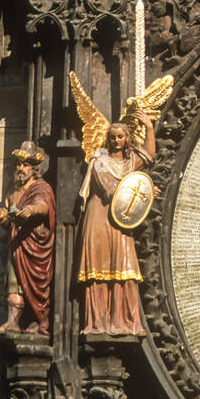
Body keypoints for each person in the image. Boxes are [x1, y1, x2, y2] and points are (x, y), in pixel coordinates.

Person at [76, 112, 154, 335]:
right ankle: (97, 323)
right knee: (98, 269)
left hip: (120, 220)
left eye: (120, 136)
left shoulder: (130, 162)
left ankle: (125, 322)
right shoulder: (100, 161)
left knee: (125, 267)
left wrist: (149, 127)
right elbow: (111, 188)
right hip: (100, 216)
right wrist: (141, 193)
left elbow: (149, 154)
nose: (116, 140)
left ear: (126, 138)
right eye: (112, 136)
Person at [0, 141, 55, 337]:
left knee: (34, 285)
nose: (20, 168)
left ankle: (37, 320)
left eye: (26, 165)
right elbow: (8, 222)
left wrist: (29, 210)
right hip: (17, 244)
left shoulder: (41, 187)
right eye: (18, 164)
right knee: (14, 282)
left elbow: (43, 206)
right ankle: (12, 322)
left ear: (34, 168)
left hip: (34, 245)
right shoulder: (13, 192)